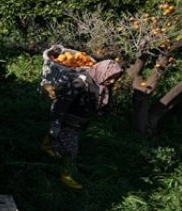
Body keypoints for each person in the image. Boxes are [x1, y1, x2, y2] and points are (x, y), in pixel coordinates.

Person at [43, 59, 124, 189]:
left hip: (79, 121)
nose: (112, 81)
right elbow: (63, 102)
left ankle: (47, 145)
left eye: (115, 78)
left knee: (61, 139)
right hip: (67, 119)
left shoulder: (103, 82)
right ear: (103, 72)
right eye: (111, 77)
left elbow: (103, 100)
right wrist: (56, 122)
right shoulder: (81, 81)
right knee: (71, 149)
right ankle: (66, 175)